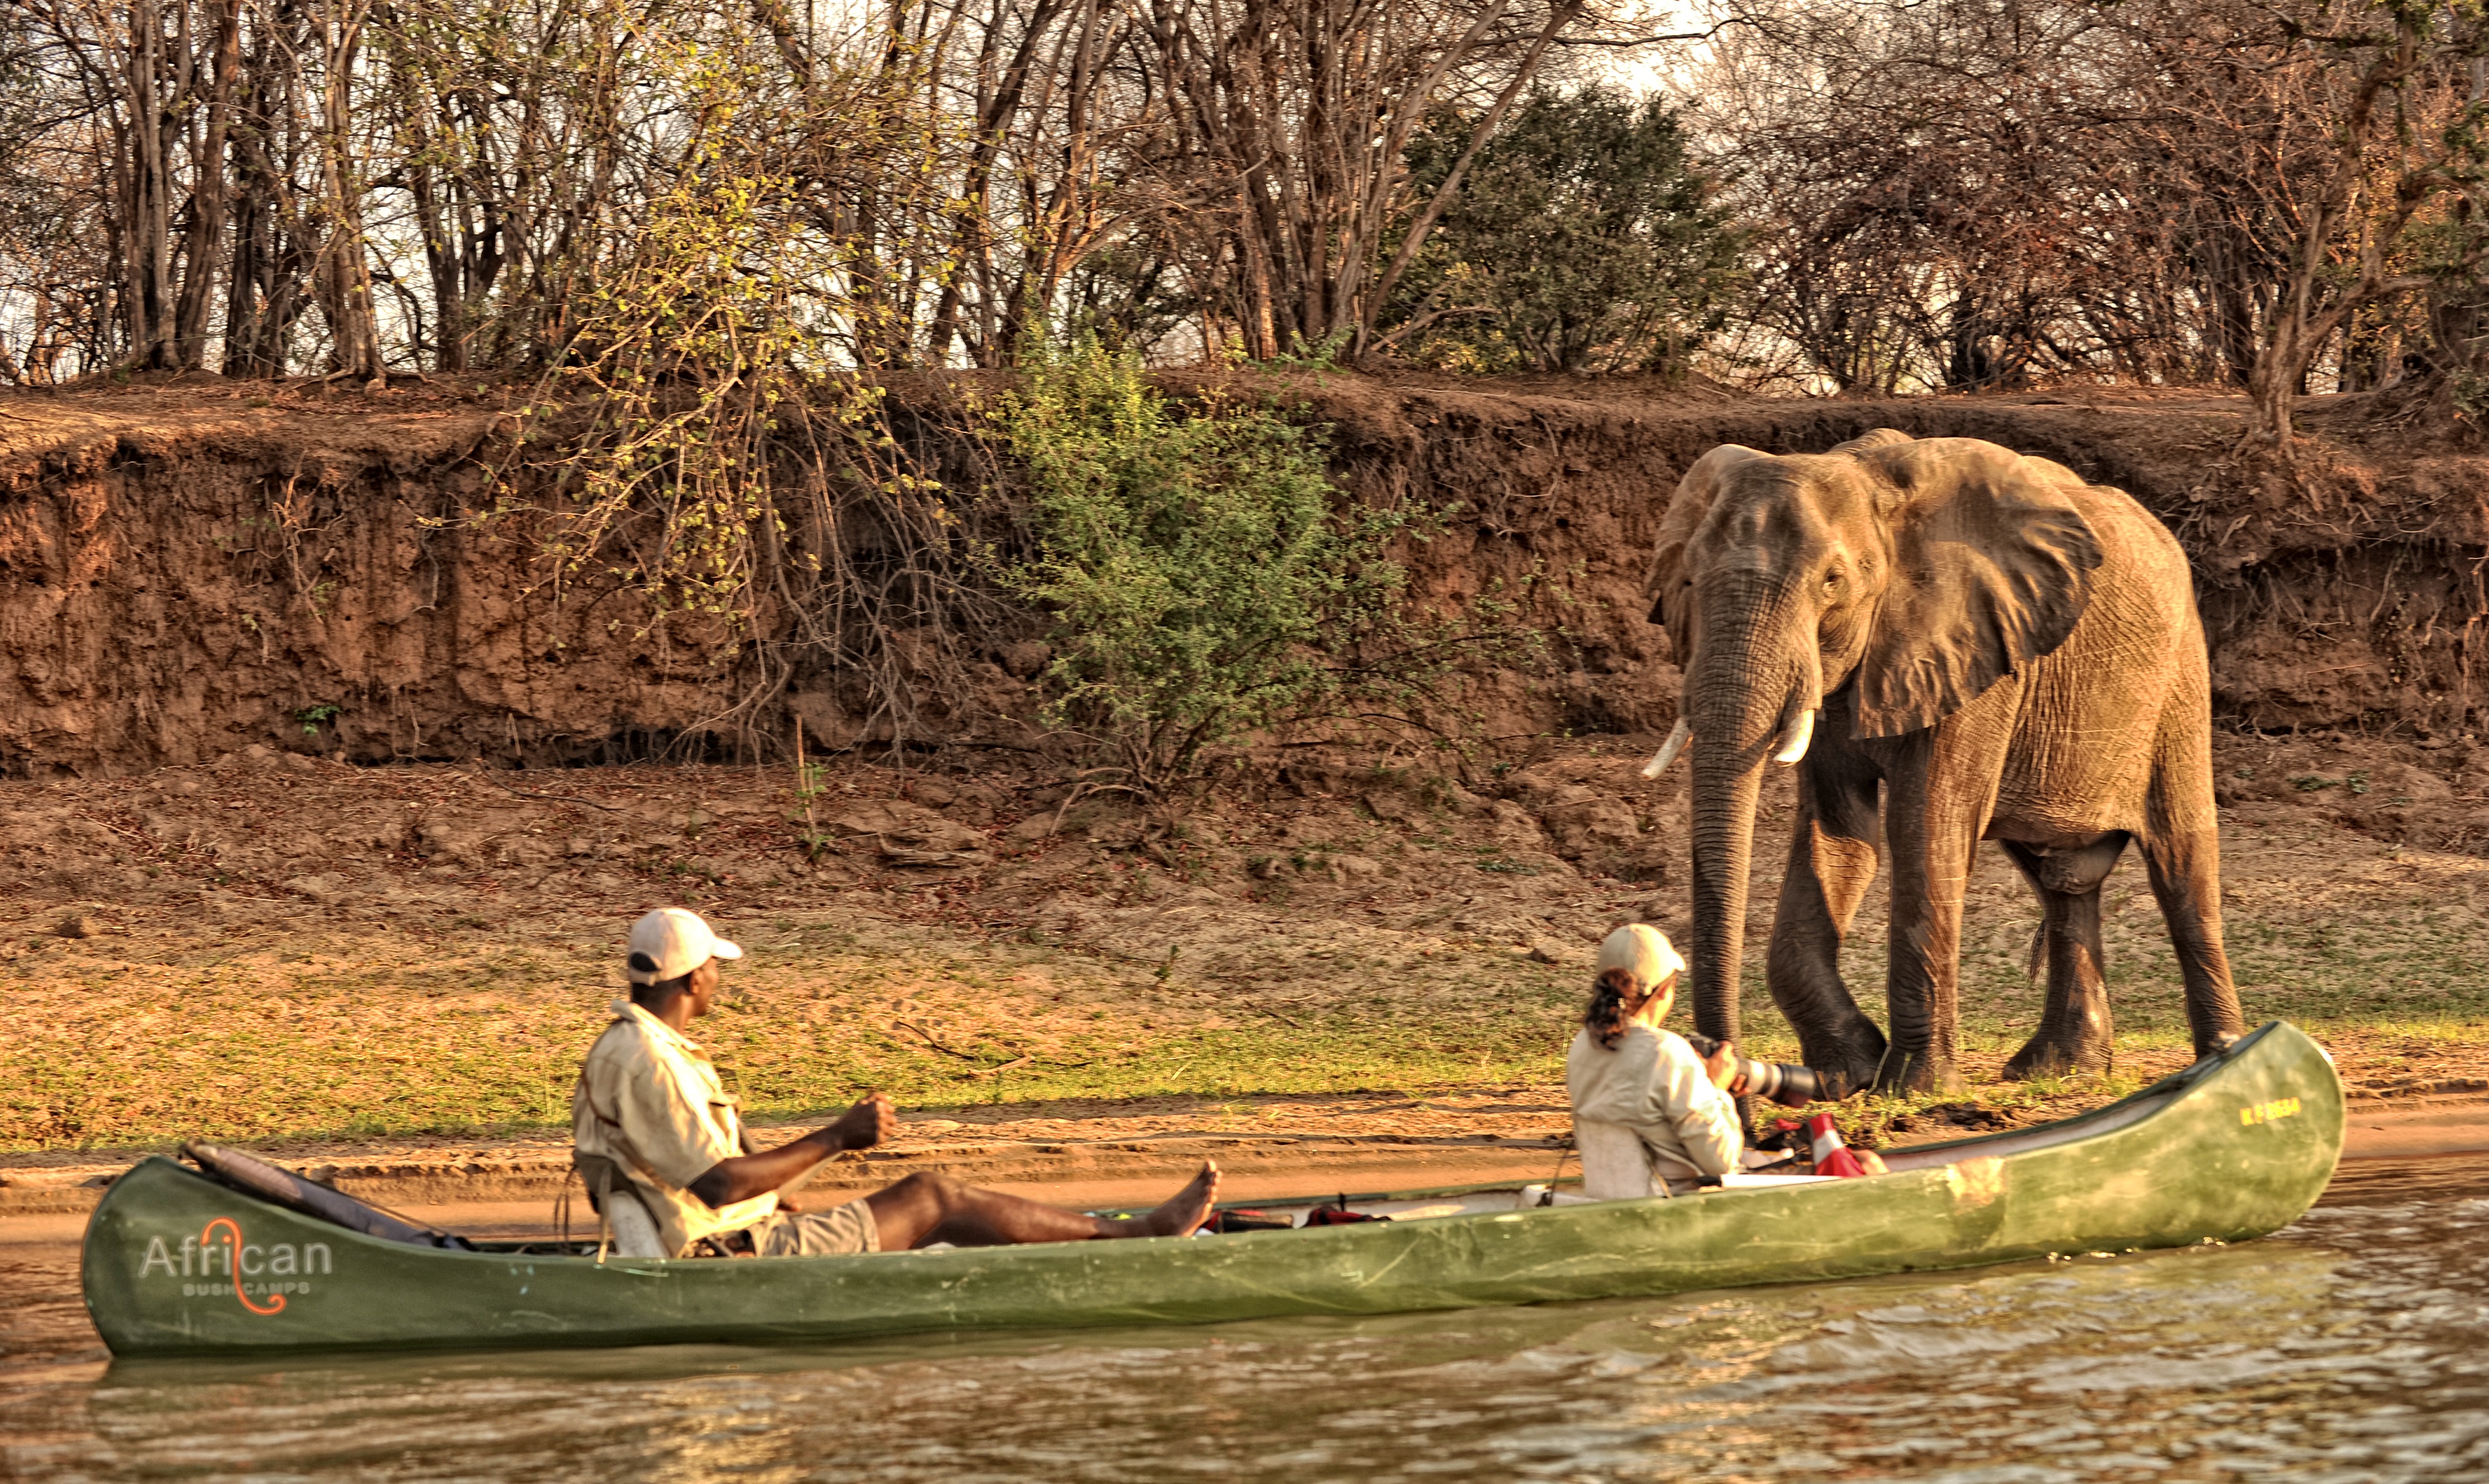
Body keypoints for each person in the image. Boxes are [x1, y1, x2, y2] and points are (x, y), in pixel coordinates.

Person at [572, 907, 1219, 1258]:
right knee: (931, 1198)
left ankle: (1102, 1232)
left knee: (927, 1208)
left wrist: (777, 1189)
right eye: (716, 967)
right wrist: (836, 1138)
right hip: (727, 1254)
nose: (720, 978)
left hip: (720, 1231)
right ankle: (1138, 1235)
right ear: (693, 981)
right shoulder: (647, 1059)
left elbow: (712, 1171)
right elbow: (715, 1185)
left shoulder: (633, 1046)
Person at [1566, 924, 1746, 1199]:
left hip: (1603, 1200)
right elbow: (1722, 1160)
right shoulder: (1668, 1052)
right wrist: (1717, 1090)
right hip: (1668, 1208)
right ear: (1665, 991)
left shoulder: (1582, 1044)